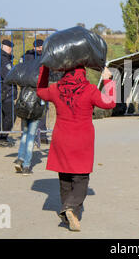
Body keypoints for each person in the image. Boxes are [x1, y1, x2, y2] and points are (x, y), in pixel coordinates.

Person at [36, 64, 115, 232]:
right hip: (82, 139)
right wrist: (108, 80)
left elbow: (40, 91)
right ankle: (71, 207)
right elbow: (110, 103)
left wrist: (45, 69)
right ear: (83, 73)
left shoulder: (56, 89)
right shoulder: (90, 90)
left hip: (61, 138)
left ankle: (68, 215)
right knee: (81, 179)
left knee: (65, 178)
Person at [13, 39, 47, 175]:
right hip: (37, 102)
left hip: (25, 100)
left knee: (25, 134)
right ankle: (26, 165)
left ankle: (20, 159)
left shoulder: (25, 59)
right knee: (31, 135)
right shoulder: (45, 61)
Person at [19, 39, 50, 144]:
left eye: (41, 47)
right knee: (28, 111)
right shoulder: (27, 57)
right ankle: (29, 134)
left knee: (42, 111)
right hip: (29, 88)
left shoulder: (45, 56)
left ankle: (41, 135)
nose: (40, 49)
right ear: (34, 47)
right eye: (38, 47)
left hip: (41, 87)